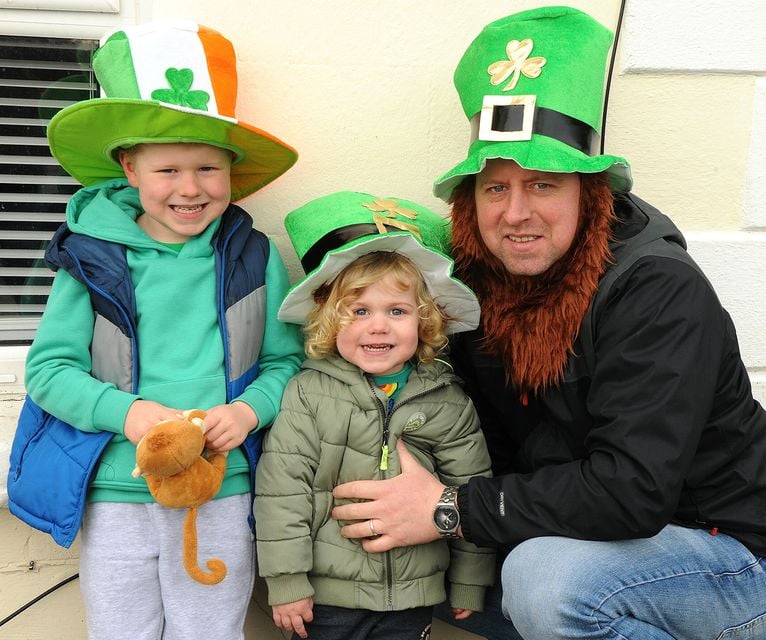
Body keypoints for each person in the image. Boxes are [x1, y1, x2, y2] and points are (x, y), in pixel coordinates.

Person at [330, 7, 766, 640]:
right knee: (449, 575)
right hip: (607, 538)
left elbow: (631, 492)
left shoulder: (656, 289)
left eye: (542, 184)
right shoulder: (476, 286)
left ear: (589, 195)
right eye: (495, 188)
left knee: (543, 580)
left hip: (731, 552)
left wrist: (450, 510)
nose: (516, 212)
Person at [7, 21, 304, 640]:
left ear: (231, 171)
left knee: (210, 630)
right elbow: (49, 371)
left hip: (224, 488)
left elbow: (287, 363)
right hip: (119, 488)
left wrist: (248, 412)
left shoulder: (253, 257)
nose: (190, 189)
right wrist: (131, 413)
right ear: (129, 169)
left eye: (207, 169)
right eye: (167, 170)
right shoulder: (91, 259)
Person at [253, 191, 495, 640]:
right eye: (359, 311)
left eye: (397, 311)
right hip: (325, 599)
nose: (378, 326)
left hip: (413, 595)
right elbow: (282, 492)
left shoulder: (447, 401)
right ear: (329, 321)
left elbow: (470, 489)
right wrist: (286, 581)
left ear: (425, 323)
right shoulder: (308, 393)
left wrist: (468, 580)